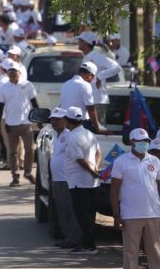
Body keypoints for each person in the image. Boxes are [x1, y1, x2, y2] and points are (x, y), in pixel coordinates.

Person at [109, 128, 160, 269]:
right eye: (140, 141)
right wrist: (116, 215)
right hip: (131, 215)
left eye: (146, 141)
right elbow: (114, 190)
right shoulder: (121, 161)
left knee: (155, 253)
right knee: (131, 253)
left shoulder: (155, 161)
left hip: (154, 214)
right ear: (132, 141)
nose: (144, 143)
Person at [64, 106, 101, 255]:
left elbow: (79, 159)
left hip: (79, 182)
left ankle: (88, 246)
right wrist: (96, 168)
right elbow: (98, 152)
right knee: (90, 214)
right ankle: (89, 244)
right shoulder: (89, 133)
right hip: (91, 182)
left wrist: (92, 171)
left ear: (68, 120)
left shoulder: (73, 137)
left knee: (82, 215)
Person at [0, 60, 38, 187]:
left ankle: (28, 172)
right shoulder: (4, 87)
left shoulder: (27, 85)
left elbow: (34, 103)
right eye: (10, 72)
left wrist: (38, 119)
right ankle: (15, 176)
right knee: (12, 151)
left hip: (26, 123)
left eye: (15, 71)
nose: (13, 74)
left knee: (30, 149)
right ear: (7, 74)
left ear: (19, 72)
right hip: (10, 124)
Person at [46, 107, 82, 249]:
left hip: (66, 179)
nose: (54, 122)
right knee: (61, 209)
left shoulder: (69, 135)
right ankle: (69, 237)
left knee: (68, 210)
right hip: (58, 179)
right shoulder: (57, 135)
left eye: (57, 119)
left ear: (65, 120)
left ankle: (74, 238)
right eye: (52, 119)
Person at [78, 31, 121, 126]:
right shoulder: (86, 57)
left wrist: (99, 76)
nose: (78, 42)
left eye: (80, 40)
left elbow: (117, 67)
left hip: (98, 100)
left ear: (86, 42)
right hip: (90, 101)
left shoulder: (97, 55)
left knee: (98, 132)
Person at [59, 61, 106, 133]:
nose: (92, 80)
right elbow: (91, 110)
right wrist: (98, 128)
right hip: (79, 124)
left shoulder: (66, 84)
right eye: (93, 77)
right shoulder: (85, 85)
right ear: (90, 75)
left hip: (65, 123)